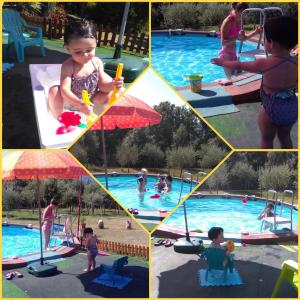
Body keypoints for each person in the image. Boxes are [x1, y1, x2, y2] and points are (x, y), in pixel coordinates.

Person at [212, 16, 298, 149]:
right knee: (285, 137)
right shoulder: (296, 62)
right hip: (291, 108)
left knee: (267, 139)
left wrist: (222, 62)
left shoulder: (264, 63)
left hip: (271, 109)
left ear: (272, 44)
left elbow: (240, 65)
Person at [48, 19, 124, 119]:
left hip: (91, 101)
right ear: (68, 48)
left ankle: (105, 117)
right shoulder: (68, 66)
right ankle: (59, 117)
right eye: (78, 52)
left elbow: (102, 86)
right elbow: (64, 90)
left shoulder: (96, 62)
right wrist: (79, 103)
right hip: (72, 102)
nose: (84, 55)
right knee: (54, 91)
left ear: (96, 44)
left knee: (111, 94)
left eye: (89, 50)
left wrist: (113, 85)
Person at [218, 2, 261, 82]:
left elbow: (243, 39)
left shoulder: (239, 21)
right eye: (243, 13)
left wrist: (255, 32)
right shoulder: (227, 21)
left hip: (234, 55)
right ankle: (217, 82)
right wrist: (237, 36)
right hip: (225, 55)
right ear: (238, 11)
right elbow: (223, 42)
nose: (245, 16)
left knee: (239, 79)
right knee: (232, 81)